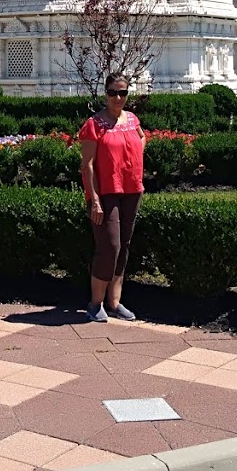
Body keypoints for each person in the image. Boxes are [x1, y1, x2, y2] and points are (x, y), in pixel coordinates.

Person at [78, 73, 146, 322]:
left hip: (131, 190)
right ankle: (95, 303)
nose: (118, 97)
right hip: (106, 193)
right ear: (105, 94)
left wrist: (136, 167)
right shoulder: (94, 124)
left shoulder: (132, 119)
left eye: (123, 93)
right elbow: (88, 165)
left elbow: (141, 137)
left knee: (124, 246)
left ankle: (114, 302)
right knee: (110, 246)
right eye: (113, 93)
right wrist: (94, 199)